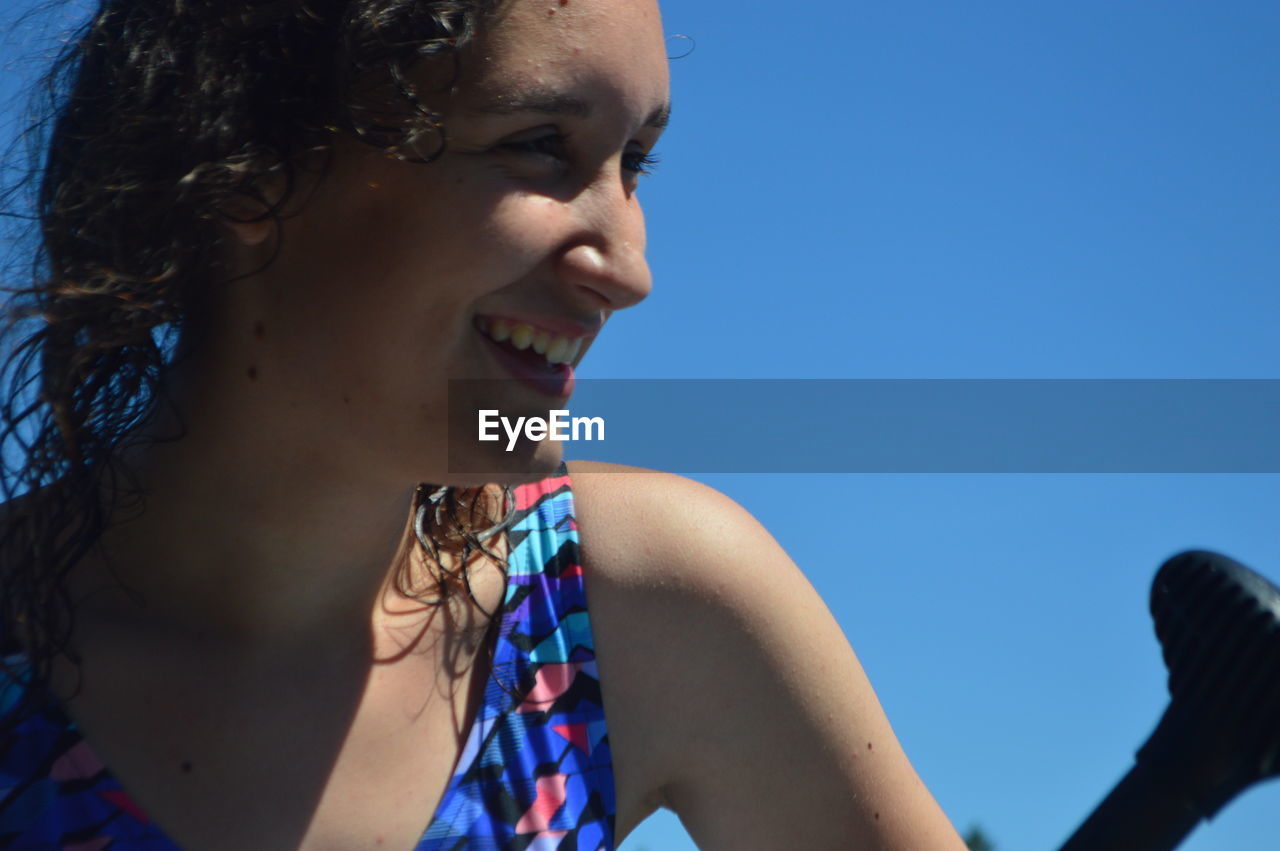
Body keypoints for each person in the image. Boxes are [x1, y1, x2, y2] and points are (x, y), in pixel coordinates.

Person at [0, 0, 967, 847]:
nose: (631, 271)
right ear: (249, 161)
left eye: (633, 162)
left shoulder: (635, 601)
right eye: (541, 143)